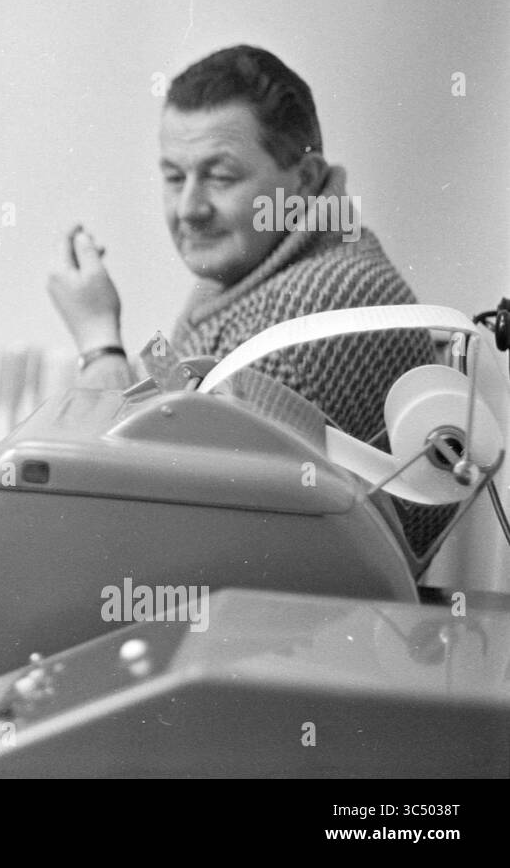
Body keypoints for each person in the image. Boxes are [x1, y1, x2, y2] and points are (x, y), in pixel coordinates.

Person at [47, 44, 444, 551]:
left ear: (300, 180)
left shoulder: (319, 300)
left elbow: (154, 521)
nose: (189, 208)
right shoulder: (252, 265)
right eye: (173, 177)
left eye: (220, 176)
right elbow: (186, 403)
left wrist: (100, 343)